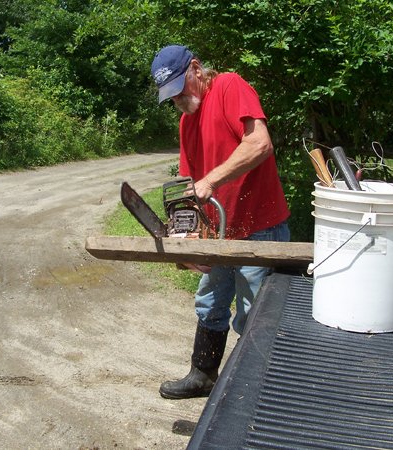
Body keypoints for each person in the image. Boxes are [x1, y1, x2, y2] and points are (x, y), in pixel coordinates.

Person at [151, 45, 291, 399]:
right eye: (171, 96)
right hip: (217, 232)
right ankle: (203, 374)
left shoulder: (229, 86)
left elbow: (260, 143)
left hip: (259, 229)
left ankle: (255, 394)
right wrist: (188, 245)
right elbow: (188, 189)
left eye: (181, 89)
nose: (178, 100)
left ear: (196, 69)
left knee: (254, 315)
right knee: (210, 305)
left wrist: (212, 180)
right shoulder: (187, 121)